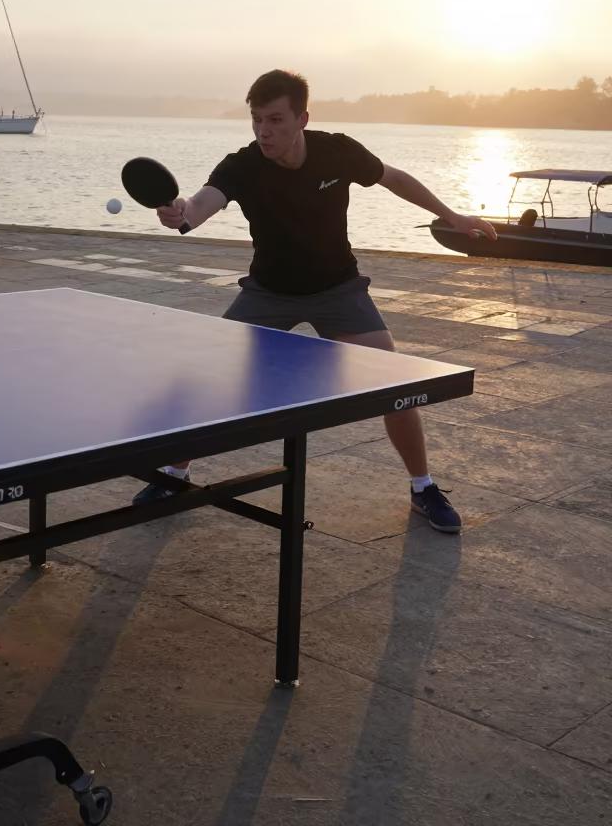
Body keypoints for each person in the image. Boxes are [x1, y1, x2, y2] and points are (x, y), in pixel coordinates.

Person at [134, 69, 497, 531]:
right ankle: (174, 472)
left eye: (276, 120)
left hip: (337, 290)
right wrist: (180, 211)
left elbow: (393, 178)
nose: (264, 131)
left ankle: (423, 488)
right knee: (212, 374)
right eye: (257, 120)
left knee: (397, 385)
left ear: (302, 118)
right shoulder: (241, 165)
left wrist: (453, 215)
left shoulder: (336, 150)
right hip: (269, 293)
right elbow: (201, 205)